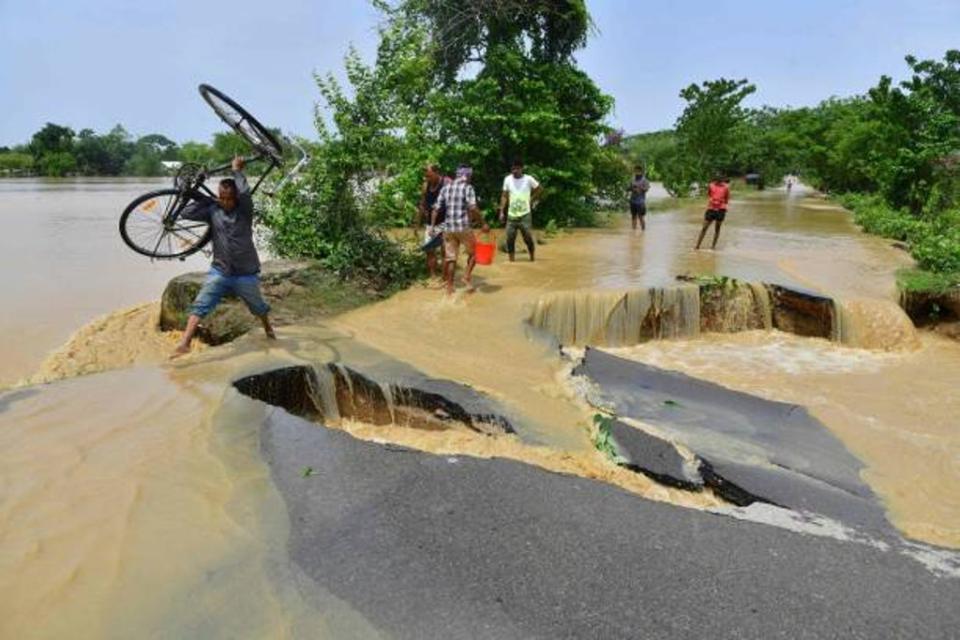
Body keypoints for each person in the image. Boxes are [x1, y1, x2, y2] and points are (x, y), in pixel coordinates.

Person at [172, 156, 275, 357]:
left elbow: (245, 193)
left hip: (245, 273)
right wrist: (204, 199)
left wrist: (237, 171)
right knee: (201, 304)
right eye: (222, 197)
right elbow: (186, 213)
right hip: (220, 271)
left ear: (236, 198)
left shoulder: (244, 212)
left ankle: (268, 328)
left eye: (229, 198)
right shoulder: (213, 210)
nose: (226, 202)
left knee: (259, 307)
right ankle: (185, 343)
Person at [432, 165, 487, 295]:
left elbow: (436, 208)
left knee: (451, 259)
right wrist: (483, 223)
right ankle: (466, 276)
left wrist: (433, 227)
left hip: (448, 228)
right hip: (463, 227)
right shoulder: (468, 188)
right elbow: (473, 208)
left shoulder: (446, 187)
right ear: (466, 176)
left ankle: (450, 287)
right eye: (470, 177)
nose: (470, 179)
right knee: (475, 253)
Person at [498, 159, 542, 262]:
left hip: (525, 214)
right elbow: (504, 196)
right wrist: (501, 211)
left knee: (527, 236)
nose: (514, 171)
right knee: (510, 238)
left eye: (517, 168)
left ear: (521, 168)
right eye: (512, 169)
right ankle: (511, 261)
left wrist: (531, 199)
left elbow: (540, 189)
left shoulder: (528, 179)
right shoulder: (507, 179)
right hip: (511, 215)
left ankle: (532, 257)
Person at [415, 164, 450, 278]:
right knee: (429, 250)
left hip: (445, 222)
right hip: (431, 222)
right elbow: (422, 205)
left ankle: (445, 278)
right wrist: (417, 224)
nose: (427, 178)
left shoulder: (446, 183)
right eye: (426, 176)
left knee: (445, 251)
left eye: (429, 176)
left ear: (436, 172)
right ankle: (433, 276)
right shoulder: (426, 186)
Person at [695, 174, 730, 250]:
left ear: (723, 179)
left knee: (717, 229)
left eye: (721, 179)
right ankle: (697, 246)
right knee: (704, 228)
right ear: (715, 179)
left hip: (721, 209)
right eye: (718, 179)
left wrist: (721, 204)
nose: (720, 181)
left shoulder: (726, 187)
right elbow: (709, 194)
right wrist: (713, 201)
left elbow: (727, 199)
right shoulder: (711, 185)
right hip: (711, 208)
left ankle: (713, 247)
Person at [628, 164, 651, 231]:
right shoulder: (632, 179)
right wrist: (632, 188)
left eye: (638, 171)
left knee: (641, 217)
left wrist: (640, 188)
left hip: (640, 201)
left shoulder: (645, 180)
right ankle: (633, 231)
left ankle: (643, 231)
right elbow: (628, 188)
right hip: (632, 200)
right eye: (635, 171)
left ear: (641, 171)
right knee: (633, 217)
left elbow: (647, 189)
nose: (637, 172)